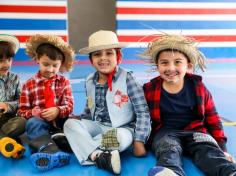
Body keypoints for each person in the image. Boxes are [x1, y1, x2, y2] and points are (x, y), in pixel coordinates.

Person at [142, 34, 236, 176]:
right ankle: (171, 172)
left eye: (177, 62)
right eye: (164, 63)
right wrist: (139, 141)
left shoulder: (199, 88)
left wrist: (222, 149)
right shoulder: (149, 89)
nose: (171, 68)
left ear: (189, 65)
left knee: (208, 151)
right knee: (168, 149)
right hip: (165, 133)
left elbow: (214, 120)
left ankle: (229, 172)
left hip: (196, 131)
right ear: (158, 66)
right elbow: (139, 117)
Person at [64, 30, 151, 175]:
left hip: (122, 129)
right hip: (97, 126)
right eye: (97, 54)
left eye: (109, 53)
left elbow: (142, 111)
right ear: (91, 59)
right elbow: (89, 107)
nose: (103, 58)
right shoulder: (90, 80)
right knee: (69, 124)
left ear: (118, 57)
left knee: (119, 139)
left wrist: (139, 140)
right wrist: (79, 122)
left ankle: (80, 144)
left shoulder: (127, 78)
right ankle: (98, 155)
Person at [18, 34, 75, 171]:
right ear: (37, 60)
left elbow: (69, 105)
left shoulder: (64, 82)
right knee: (32, 123)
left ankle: (56, 140)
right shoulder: (29, 84)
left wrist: (58, 110)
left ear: (61, 64)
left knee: (74, 123)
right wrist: (32, 112)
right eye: (46, 64)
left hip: (60, 121)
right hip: (41, 122)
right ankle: (49, 150)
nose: (50, 69)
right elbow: (21, 111)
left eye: (55, 65)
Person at [0, 34, 26, 159]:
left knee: (22, 122)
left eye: (9, 60)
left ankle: (3, 139)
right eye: (0, 61)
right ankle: (7, 141)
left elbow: (22, 102)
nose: (6, 64)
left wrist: (7, 106)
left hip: (8, 122)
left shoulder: (15, 78)